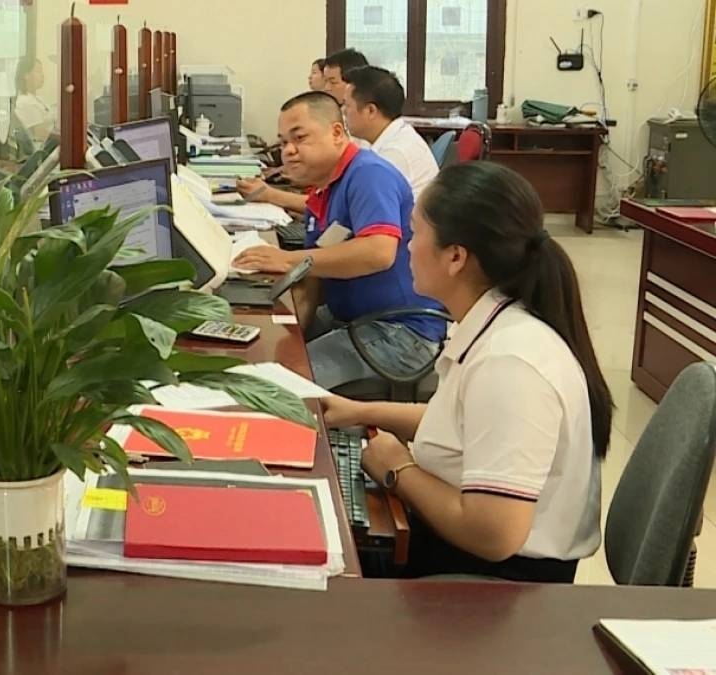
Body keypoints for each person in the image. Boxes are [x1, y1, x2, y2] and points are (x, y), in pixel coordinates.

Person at [323, 162, 613, 583]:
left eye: (416, 232)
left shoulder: (510, 365)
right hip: (468, 562)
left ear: (456, 256)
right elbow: (464, 425)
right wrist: (358, 412)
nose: (407, 245)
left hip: (490, 591)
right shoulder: (498, 325)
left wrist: (397, 469)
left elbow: (494, 535)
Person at [234, 91, 445, 389]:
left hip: (398, 332)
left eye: (300, 138)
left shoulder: (368, 174)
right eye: (283, 142)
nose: (288, 151)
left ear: (336, 133)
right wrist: (295, 331)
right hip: (353, 318)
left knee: (277, 386)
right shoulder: (326, 186)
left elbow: (379, 251)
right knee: (262, 352)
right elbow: (314, 275)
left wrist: (288, 259)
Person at [342, 66, 439, 198]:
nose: (343, 111)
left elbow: (361, 202)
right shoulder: (381, 138)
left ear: (371, 111)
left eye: (347, 105)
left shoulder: (395, 154)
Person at [14, 57, 55, 142]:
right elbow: (39, 132)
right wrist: (66, 138)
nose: (42, 75)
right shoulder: (24, 101)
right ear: (26, 75)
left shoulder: (38, 99)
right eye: (38, 71)